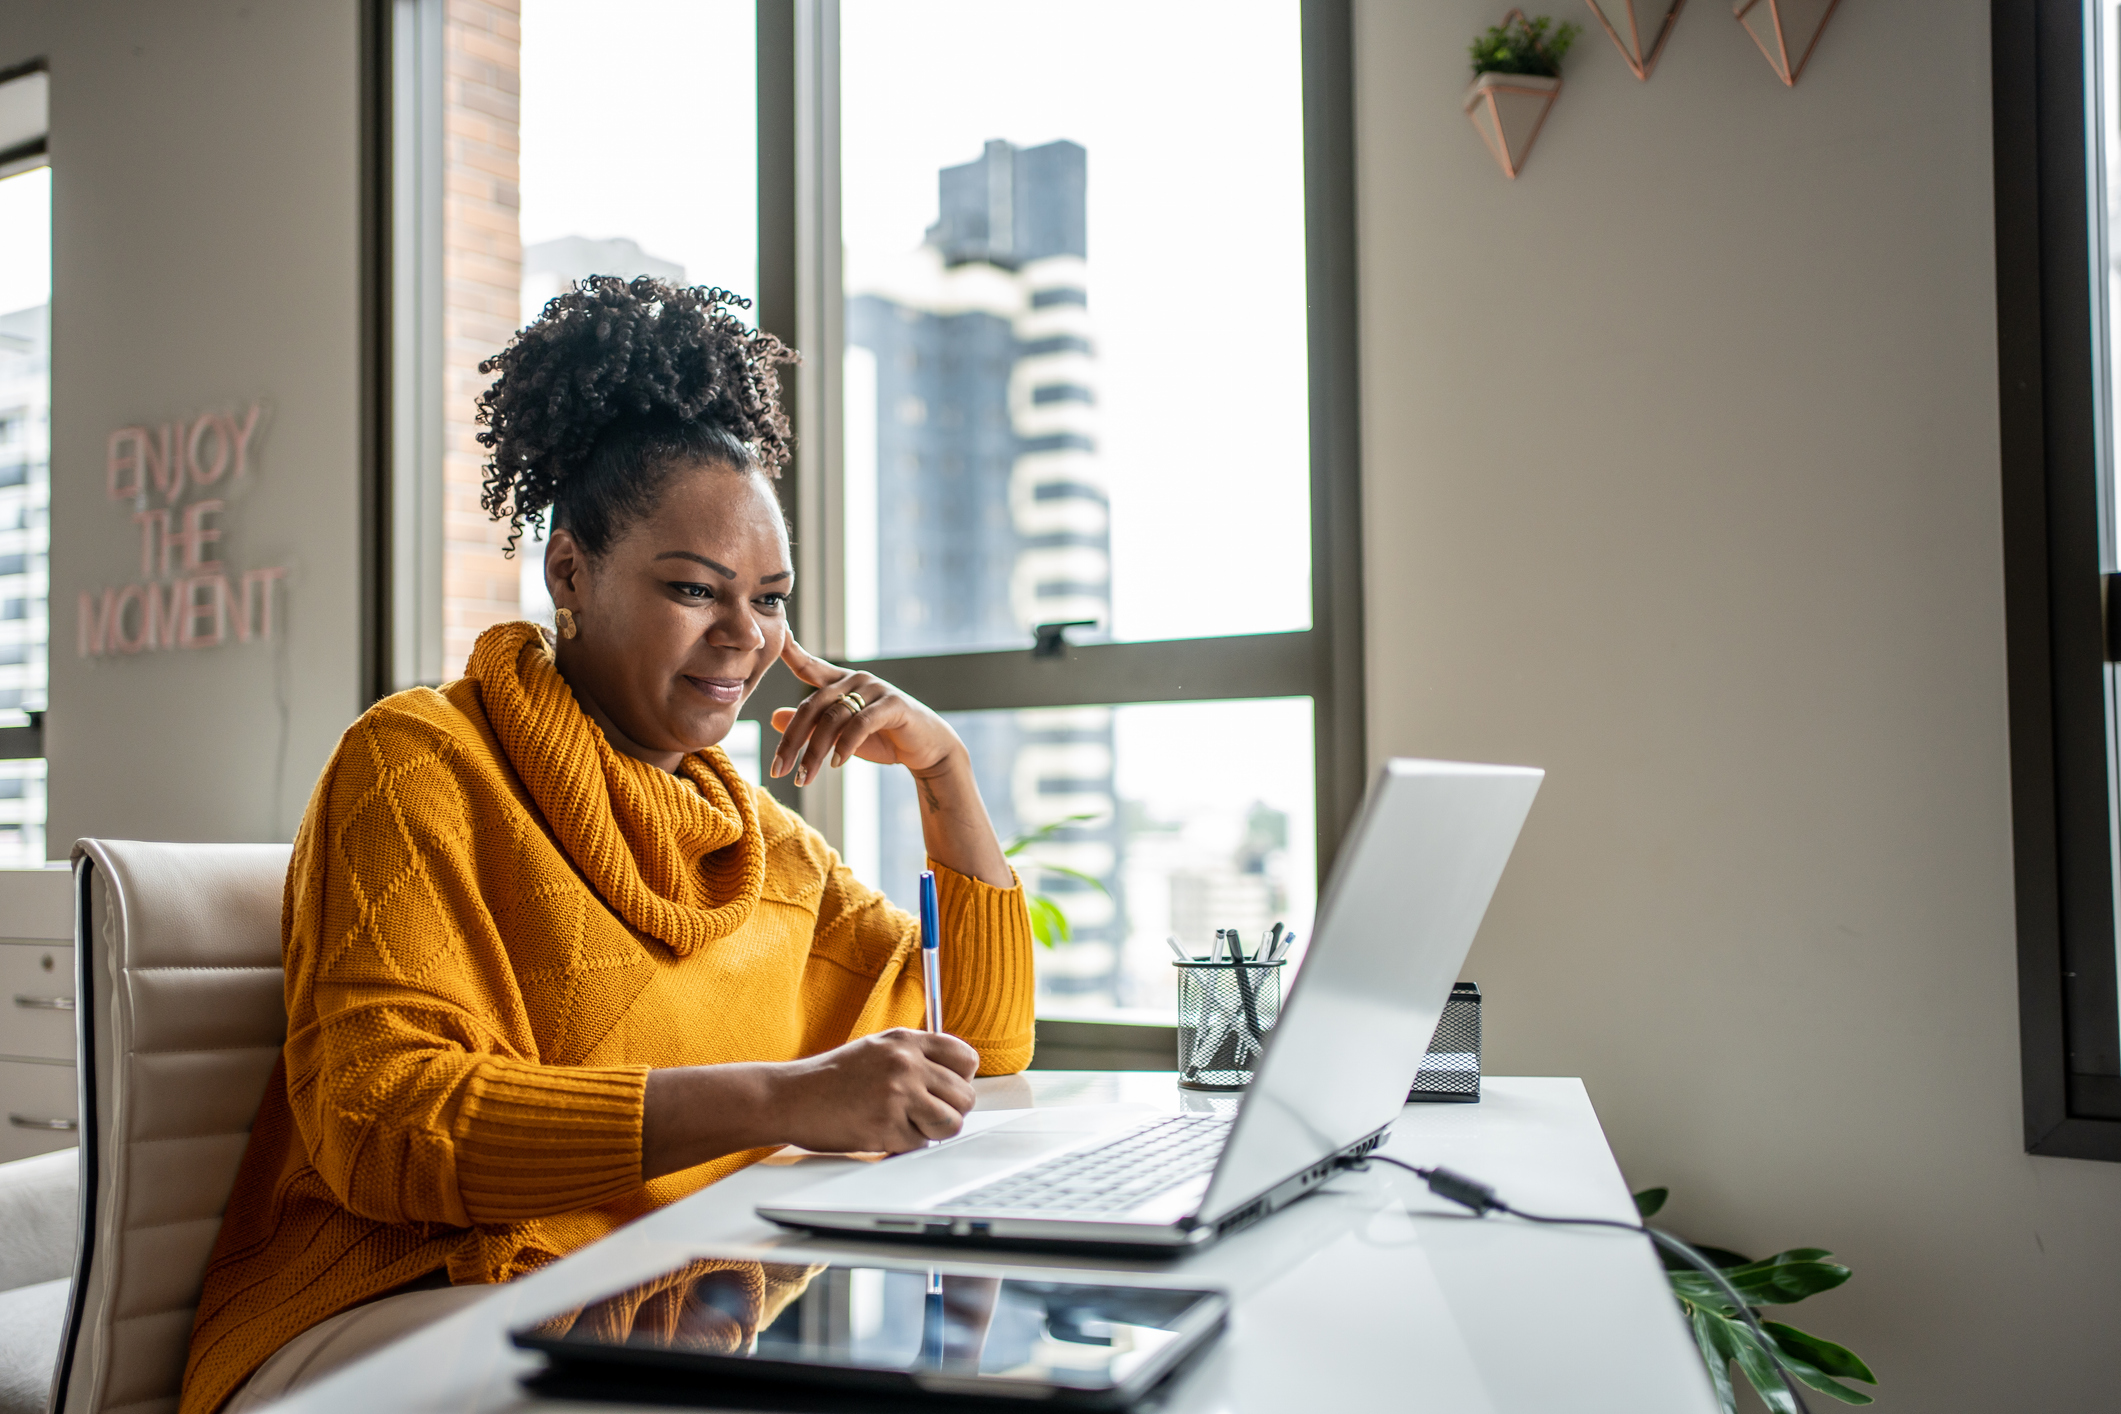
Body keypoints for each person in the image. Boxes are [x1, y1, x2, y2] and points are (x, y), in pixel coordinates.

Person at [182, 278, 1037, 1414]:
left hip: (654, 1311)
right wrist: (777, 1100)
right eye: (694, 589)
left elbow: (977, 1041)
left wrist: (946, 775)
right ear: (570, 573)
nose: (744, 637)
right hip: (387, 1316)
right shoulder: (417, 763)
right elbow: (385, 1124)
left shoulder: (764, 851)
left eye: (771, 599)